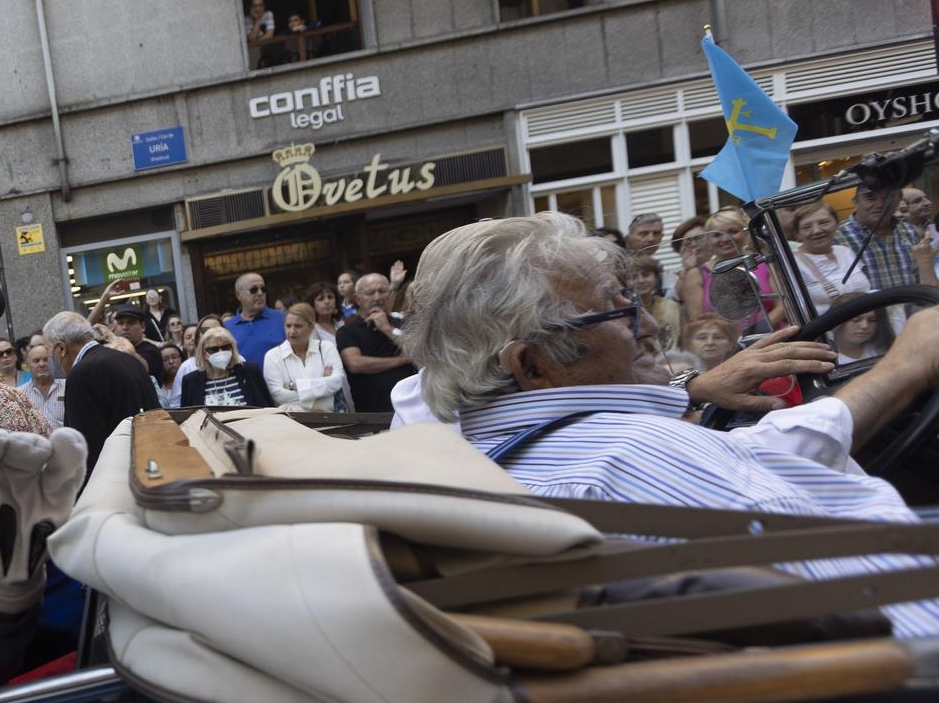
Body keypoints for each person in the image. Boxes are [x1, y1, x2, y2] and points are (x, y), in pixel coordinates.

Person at [400, 211, 939, 639]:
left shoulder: (465, 465)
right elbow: (899, 610)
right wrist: (906, 368)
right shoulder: (637, 455)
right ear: (533, 365)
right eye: (617, 311)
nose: (651, 325)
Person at [48, 309, 156, 476]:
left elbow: (85, 448)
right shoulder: (129, 360)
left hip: (113, 481)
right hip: (150, 466)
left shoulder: (81, 375)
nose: (52, 360)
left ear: (61, 348)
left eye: (51, 353)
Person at [837, 178, 938, 309]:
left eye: (887, 197)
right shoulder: (838, 237)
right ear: (855, 202)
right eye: (870, 198)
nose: (880, 204)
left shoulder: (909, 231)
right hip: (869, 323)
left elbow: (923, 279)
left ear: (897, 201)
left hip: (914, 318)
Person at [337, 272, 416, 413]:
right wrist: (403, 360)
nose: (377, 297)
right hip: (373, 417)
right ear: (358, 299)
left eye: (382, 291)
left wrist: (387, 329)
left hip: (413, 409)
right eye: (370, 293)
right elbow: (355, 364)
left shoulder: (403, 322)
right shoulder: (347, 331)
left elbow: (418, 351)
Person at [261, 304, 351, 413]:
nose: (292, 331)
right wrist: (323, 392)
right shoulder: (272, 356)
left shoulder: (326, 348)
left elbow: (337, 381)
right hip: (292, 423)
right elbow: (278, 395)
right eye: (288, 326)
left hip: (329, 420)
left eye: (298, 326)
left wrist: (294, 385)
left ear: (311, 327)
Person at [790, 202, 871, 315]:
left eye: (824, 222)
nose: (817, 230)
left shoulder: (845, 251)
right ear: (797, 234)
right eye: (807, 227)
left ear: (837, 224)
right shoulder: (792, 262)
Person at [181, 325, 274, 408]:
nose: (221, 352)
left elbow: (267, 407)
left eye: (226, 347)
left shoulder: (250, 372)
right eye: (214, 349)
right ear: (204, 353)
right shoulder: (191, 382)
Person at [224, 272, 285, 368]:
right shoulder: (226, 328)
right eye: (254, 290)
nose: (260, 293)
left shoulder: (282, 319)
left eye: (263, 289)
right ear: (238, 295)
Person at [629, 254, 681, 352]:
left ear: (656, 278)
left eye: (646, 275)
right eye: (634, 277)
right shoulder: (622, 312)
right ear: (625, 282)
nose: (640, 281)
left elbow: (678, 341)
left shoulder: (670, 306)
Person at [110, 305, 168, 385]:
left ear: (143, 327)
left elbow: (141, 368)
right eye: (120, 323)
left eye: (131, 323)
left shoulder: (151, 350)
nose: (125, 327)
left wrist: (113, 339)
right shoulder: (113, 350)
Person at [18, 341, 66, 428]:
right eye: (36, 361)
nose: (42, 364)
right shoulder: (20, 394)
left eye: (46, 360)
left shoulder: (67, 386)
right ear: (28, 366)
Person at [157, 342, 186, 407]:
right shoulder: (158, 386)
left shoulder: (190, 381)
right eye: (165, 359)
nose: (171, 361)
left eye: (174, 357)